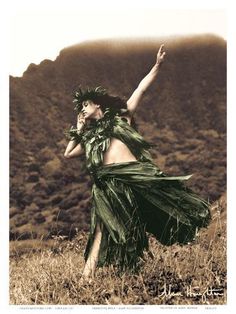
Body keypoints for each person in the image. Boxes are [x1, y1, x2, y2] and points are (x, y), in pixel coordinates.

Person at [64, 44, 211, 282]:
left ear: (97, 104)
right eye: (80, 108)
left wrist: (157, 65)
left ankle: (135, 267)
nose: (82, 109)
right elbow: (68, 154)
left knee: (140, 218)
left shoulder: (123, 116)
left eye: (85, 104)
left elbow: (140, 89)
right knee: (102, 226)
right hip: (107, 185)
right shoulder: (91, 136)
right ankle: (87, 276)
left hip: (134, 177)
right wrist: (79, 130)